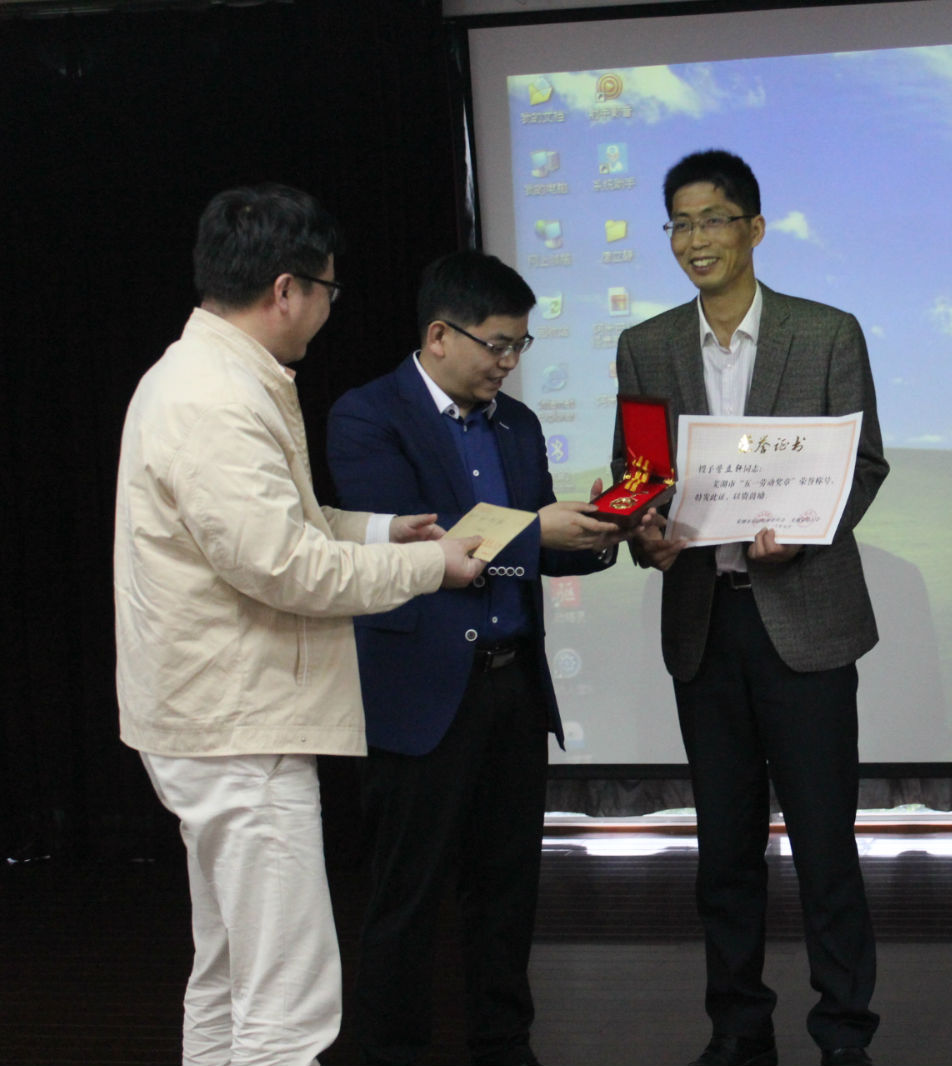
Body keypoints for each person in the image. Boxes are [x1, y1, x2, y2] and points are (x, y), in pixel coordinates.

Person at [113, 183, 485, 1066]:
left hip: (218, 718)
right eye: (327, 288)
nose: (327, 307)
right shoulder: (215, 396)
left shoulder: (209, 375)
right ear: (287, 290)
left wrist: (383, 532)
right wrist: (430, 567)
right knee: (287, 1004)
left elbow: (280, 526)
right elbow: (284, 565)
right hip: (239, 726)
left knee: (231, 975)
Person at [614, 149, 888, 1066]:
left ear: (755, 229)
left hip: (804, 619)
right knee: (724, 847)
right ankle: (737, 1028)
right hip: (706, 622)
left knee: (824, 843)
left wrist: (808, 530)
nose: (696, 240)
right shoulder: (647, 346)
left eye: (714, 220)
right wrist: (643, 530)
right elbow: (639, 476)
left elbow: (865, 464)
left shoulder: (827, 334)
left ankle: (844, 1032)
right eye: (681, 224)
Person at [326, 251, 627, 1066]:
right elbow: (417, 541)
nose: (508, 363)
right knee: (407, 894)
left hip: (511, 686)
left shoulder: (517, 425)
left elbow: (540, 547)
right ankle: (393, 1052)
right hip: (420, 692)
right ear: (439, 336)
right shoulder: (368, 416)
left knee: (506, 890)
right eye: (497, 345)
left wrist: (602, 532)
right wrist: (535, 529)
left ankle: (505, 1043)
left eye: (521, 346)